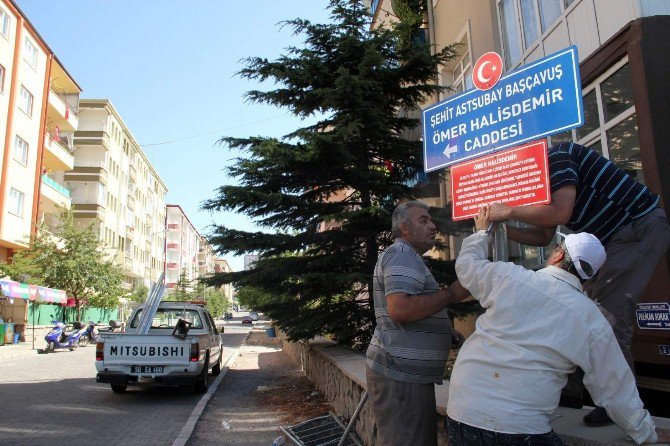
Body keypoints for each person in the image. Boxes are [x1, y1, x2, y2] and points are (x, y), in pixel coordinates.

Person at [446, 206, 669, 445]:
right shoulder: (591, 319)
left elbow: (468, 265)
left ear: (558, 255)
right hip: (519, 428)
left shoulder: (510, 277)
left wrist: (482, 233)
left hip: (461, 414)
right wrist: (644, 432)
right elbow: (615, 385)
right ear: (589, 276)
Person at [489, 142, 670, 426]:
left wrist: (509, 211)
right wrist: (497, 227)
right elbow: (542, 237)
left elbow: (560, 213)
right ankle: (570, 394)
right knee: (570, 308)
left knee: (607, 317)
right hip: (613, 239)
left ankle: (622, 408)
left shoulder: (555, 156)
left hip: (637, 228)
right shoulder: (540, 179)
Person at [365, 200, 468, 446]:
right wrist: (452, 293)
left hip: (404, 376)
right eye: (424, 220)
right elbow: (400, 309)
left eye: (431, 220)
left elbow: (406, 309)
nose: (433, 226)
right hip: (400, 377)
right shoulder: (401, 254)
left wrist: (444, 330)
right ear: (405, 228)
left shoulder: (406, 256)